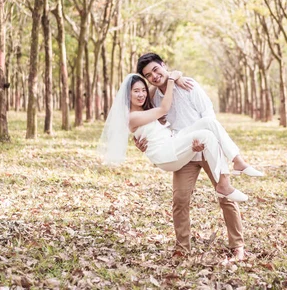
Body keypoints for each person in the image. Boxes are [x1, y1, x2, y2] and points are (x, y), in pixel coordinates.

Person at [135, 53, 264, 260]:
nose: (154, 76)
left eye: (156, 70)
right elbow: (145, 125)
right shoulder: (152, 99)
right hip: (182, 151)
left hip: (207, 147)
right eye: (148, 75)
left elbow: (208, 114)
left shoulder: (188, 85)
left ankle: (237, 245)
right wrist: (142, 142)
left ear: (163, 65)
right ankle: (182, 248)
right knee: (180, 199)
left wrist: (203, 140)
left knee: (226, 196)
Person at [99, 72, 249, 202]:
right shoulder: (132, 117)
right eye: (136, 91)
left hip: (173, 141)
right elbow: (164, 107)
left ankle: (238, 161)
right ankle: (224, 184)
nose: (141, 94)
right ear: (128, 94)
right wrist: (172, 80)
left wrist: (175, 75)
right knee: (206, 135)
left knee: (209, 122)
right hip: (165, 154)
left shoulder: (145, 108)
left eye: (143, 90)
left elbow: (157, 81)